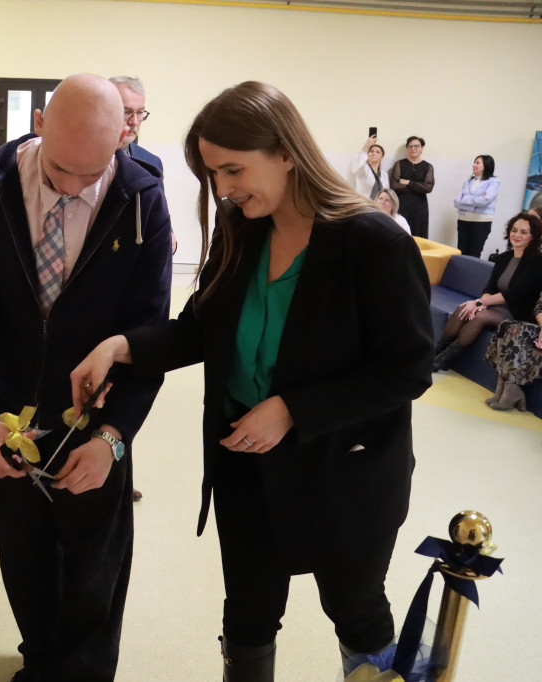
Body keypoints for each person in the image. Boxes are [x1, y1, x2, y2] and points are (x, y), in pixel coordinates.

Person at [70, 81, 434, 681]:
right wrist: (121, 346)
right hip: (244, 462)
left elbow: (408, 368)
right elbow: (199, 330)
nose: (222, 189)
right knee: (247, 612)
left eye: (233, 170)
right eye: (213, 173)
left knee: (356, 609)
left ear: (287, 153)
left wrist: (292, 408)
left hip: (345, 469)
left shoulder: (372, 242)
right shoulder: (242, 229)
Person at [0, 73, 172, 682]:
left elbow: (149, 336)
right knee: (25, 561)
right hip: (10, 419)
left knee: (96, 571)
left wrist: (114, 438)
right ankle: (39, 664)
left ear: (122, 139)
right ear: (39, 123)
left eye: (90, 174)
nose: (72, 188)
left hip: (96, 422)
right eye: (60, 170)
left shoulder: (141, 201)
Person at [110, 74, 173, 503]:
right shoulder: (82, 155)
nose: (133, 121)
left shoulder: (149, 163)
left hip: (136, 288)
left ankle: (119, 468)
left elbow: (156, 216)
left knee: (129, 383)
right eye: (125, 112)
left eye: (139, 113)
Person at [434, 211, 542, 372]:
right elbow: (490, 287)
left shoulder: (536, 261)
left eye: (523, 232)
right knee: (464, 308)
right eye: (514, 230)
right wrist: (482, 303)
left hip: (518, 312)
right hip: (496, 306)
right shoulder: (504, 257)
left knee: (480, 317)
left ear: (533, 236)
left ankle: (444, 358)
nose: (517, 235)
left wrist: (480, 302)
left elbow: (514, 294)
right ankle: (436, 351)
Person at [453, 154, 501, 258]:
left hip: (481, 221)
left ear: (486, 165)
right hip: (463, 220)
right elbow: (457, 202)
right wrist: (474, 204)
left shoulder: (494, 182)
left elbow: (484, 200)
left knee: (474, 253)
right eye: (474, 162)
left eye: (477, 163)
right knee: (461, 252)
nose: (474, 165)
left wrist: (465, 201)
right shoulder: (468, 181)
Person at [389, 135, 435, 238]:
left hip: (420, 206)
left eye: (416, 146)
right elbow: (394, 185)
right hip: (401, 204)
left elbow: (428, 188)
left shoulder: (428, 166)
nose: (413, 149)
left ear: (422, 148)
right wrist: (418, 186)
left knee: (419, 235)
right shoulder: (399, 164)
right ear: (407, 148)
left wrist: (408, 182)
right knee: (401, 233)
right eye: (410, 146)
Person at [350, 135, 390, 199]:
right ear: (367, 155)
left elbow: (387, 192)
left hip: (379, 204)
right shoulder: (364, 169)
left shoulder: (384, 174)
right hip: (363, 203)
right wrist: (366, 147)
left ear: (382, 156)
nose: (374, 153)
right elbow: (356, 168)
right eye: (371, 151)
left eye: (377, 152)